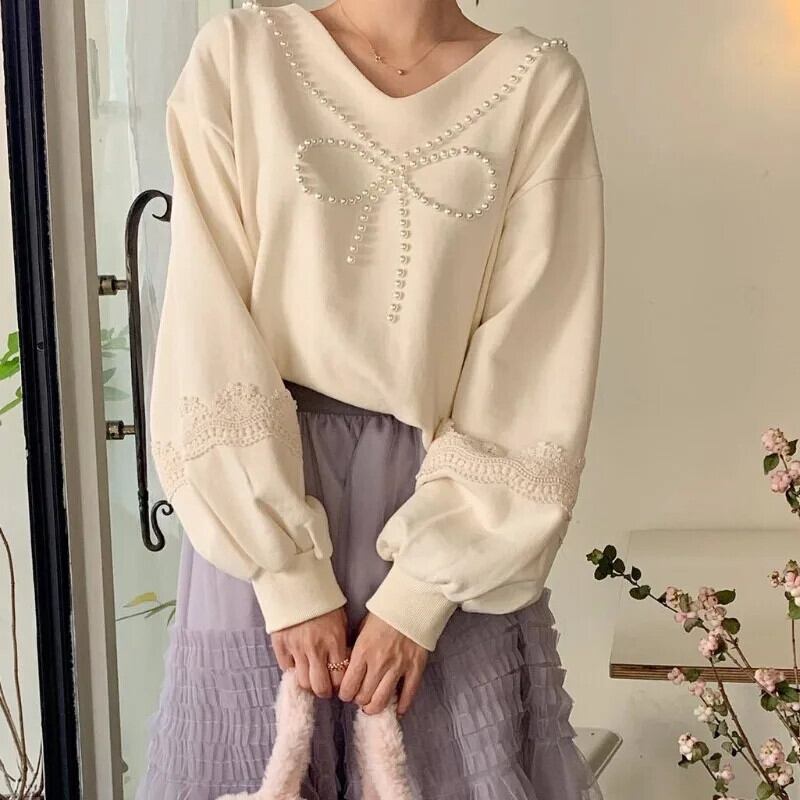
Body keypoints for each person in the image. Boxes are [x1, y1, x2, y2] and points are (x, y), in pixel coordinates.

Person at [139, 0, 605, 797]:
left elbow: (537, 350)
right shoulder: (240, 56)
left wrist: (420, 598)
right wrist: (287, 576)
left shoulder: (537, 87)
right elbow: (204, 319)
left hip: (440, 508)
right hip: (264, 490)